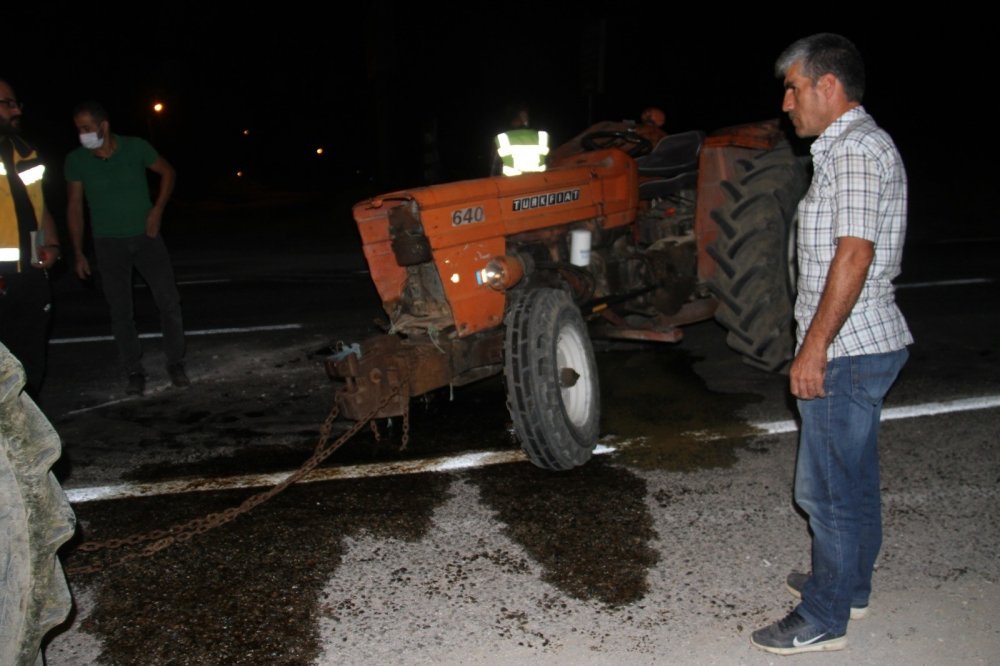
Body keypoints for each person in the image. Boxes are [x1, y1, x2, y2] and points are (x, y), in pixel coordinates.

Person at [750, 33, 912, 655]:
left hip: (848, 348)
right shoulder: (851, 147)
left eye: (793, 86)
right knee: (854, 477)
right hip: (866, 341)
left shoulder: (854, 150)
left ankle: (824, 615)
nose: (786, 102)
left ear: (828, 85)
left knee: (825, 490)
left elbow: (855, 253)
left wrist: (813, 348)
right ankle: (849, 585)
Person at [65, 99, 188, 397]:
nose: (82, 134)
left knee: (168, 301)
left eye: (87, 128)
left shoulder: (136, 147)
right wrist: (79, 251)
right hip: (108, 244)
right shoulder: (76, 160)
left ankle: (176, 362)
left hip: (146, 238)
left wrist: (157, 211)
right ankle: (134, 370)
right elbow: (75, 207)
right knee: (121, 311)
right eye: (78, 129)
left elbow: (168, 172)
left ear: (103, 126)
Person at [0, 78, 62, 400]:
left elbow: (41, 207)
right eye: (7, 103)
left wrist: (52, 246)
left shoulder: (27, 152)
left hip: (31, 280)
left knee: (29, 370)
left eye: (16, 102)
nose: (16, 109)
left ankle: (22, 443)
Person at [491, 105, 549, 176]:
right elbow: (549, 162)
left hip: (511, 185)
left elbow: (495, 171)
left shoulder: (502, 139)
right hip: (540, 183)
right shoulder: (542, 137)